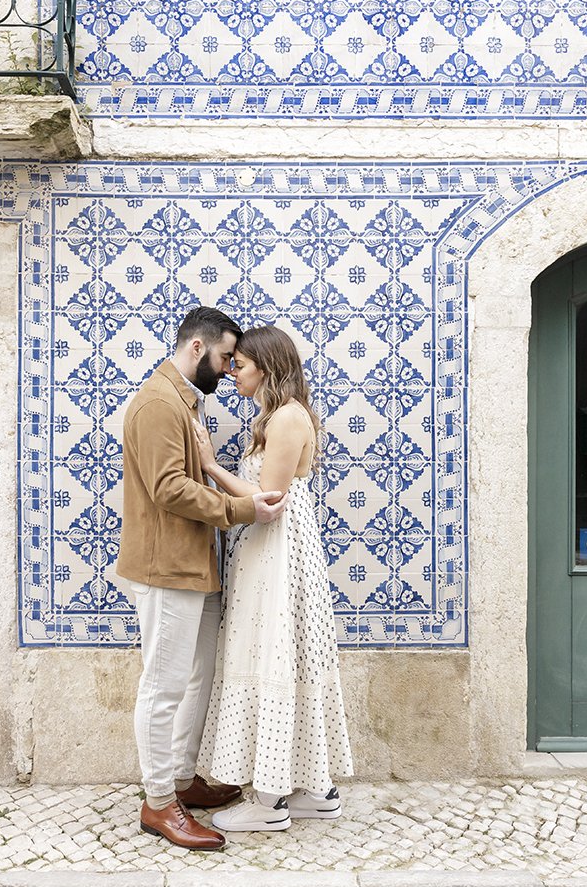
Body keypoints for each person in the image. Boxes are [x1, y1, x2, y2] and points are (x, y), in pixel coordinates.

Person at [117, 307, 290, 851]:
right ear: (197, 348)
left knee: (192, 681)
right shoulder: (158, 405)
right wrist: (242, 511)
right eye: (222, 358)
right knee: (163, 687)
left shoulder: (184, 402)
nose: (226, 369)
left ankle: (181, 781)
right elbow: (168, 489)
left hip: (193, 565)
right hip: (166, 567)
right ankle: (159, 804)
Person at [192, 325, 354, 833]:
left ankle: (268, 803)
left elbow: (268, 500)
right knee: (288, 656)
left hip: (279, 551)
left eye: (240, 363)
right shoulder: (278, 416)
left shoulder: (286, 417)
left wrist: (210, 466)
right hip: (273, 551)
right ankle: (316, 793)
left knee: (271, 655)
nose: (232, 370)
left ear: (266, 365)